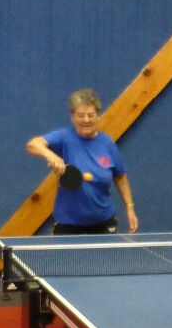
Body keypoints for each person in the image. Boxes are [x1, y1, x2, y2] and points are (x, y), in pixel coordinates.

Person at [27, 88, 138, 235]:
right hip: (67, 224)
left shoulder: (107, 143)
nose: (86, 120)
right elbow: (33, 145)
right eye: (80, 115)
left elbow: (120, 177)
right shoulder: (63, 138)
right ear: (72, 116)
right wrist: (52, 156)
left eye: (91, 115)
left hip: (104, 222)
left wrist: (130, 208)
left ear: (98, 115)